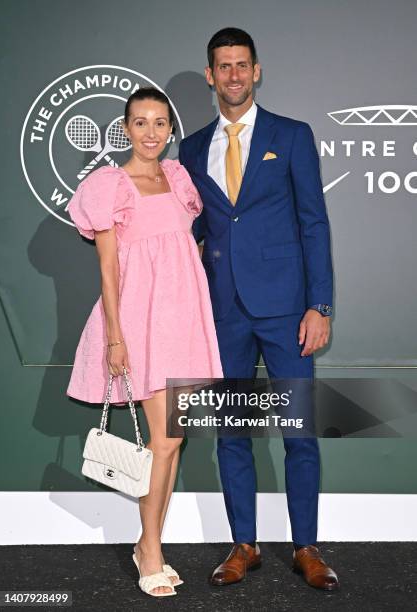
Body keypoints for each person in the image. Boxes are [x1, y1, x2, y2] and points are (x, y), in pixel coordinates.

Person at [179, 28, 339, 590]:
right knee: (232, 434)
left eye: (242, 65)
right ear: (210, 75)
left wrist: (319, 304)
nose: (234, 75)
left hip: (287, 311)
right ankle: (242, 544)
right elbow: (191, 229)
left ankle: (307, 548)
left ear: (257, 70)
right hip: (224, 312)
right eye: (223, 66)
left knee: (299, 433)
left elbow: (313, 223)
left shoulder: (292, 136)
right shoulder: (192, 148)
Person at [66, 87, 223, 597]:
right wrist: (115, 336)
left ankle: (148, 543)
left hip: (184, 319)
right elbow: (108, 267)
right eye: (140, 122)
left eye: (160, 123)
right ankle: (149, 549)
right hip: (139, 320)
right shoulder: (109, 185)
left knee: (171, 443)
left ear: (170, 130)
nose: (151, 132)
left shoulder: (179, 178)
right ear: (126, 129)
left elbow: (185, 242)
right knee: (167, 440)